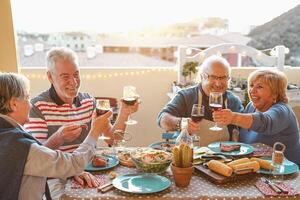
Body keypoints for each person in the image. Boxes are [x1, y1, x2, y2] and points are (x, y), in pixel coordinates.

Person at [24, 47, 139, 199]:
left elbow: (113, 139)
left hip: (93, 171)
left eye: (76, 74)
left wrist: (125, 113)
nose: (73, 82)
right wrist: (59, 138)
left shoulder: (88, 101)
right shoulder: (37, 107)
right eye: (65, 77)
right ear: (50, 77)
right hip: (57, 177)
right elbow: (39, 159)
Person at [0, 72, 111, 199]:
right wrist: (95, 131)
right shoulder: (19, 145)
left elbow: (23, 171)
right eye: (27, 98)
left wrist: (67, 172)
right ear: (14, 104)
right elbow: (74, 163)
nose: (30, 105)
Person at [213, 69, 300, 166]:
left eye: (259, 87)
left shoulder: (282, 111)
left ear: (275, 93)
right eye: (251, 85)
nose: (252, 91)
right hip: (257, 169)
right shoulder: (251, 106)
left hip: (284, 173)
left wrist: (233, 118)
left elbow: (265, 122)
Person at [157, 55, 243, 146]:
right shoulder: (186, 96)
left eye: (223, 78)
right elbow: (162, 118)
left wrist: (235, 118)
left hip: (223, 158)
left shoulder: (234, 101)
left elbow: (245, 131)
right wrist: (181, 123)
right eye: (213, 77)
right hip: (191, 157)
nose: (218, 84)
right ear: (203, 77)